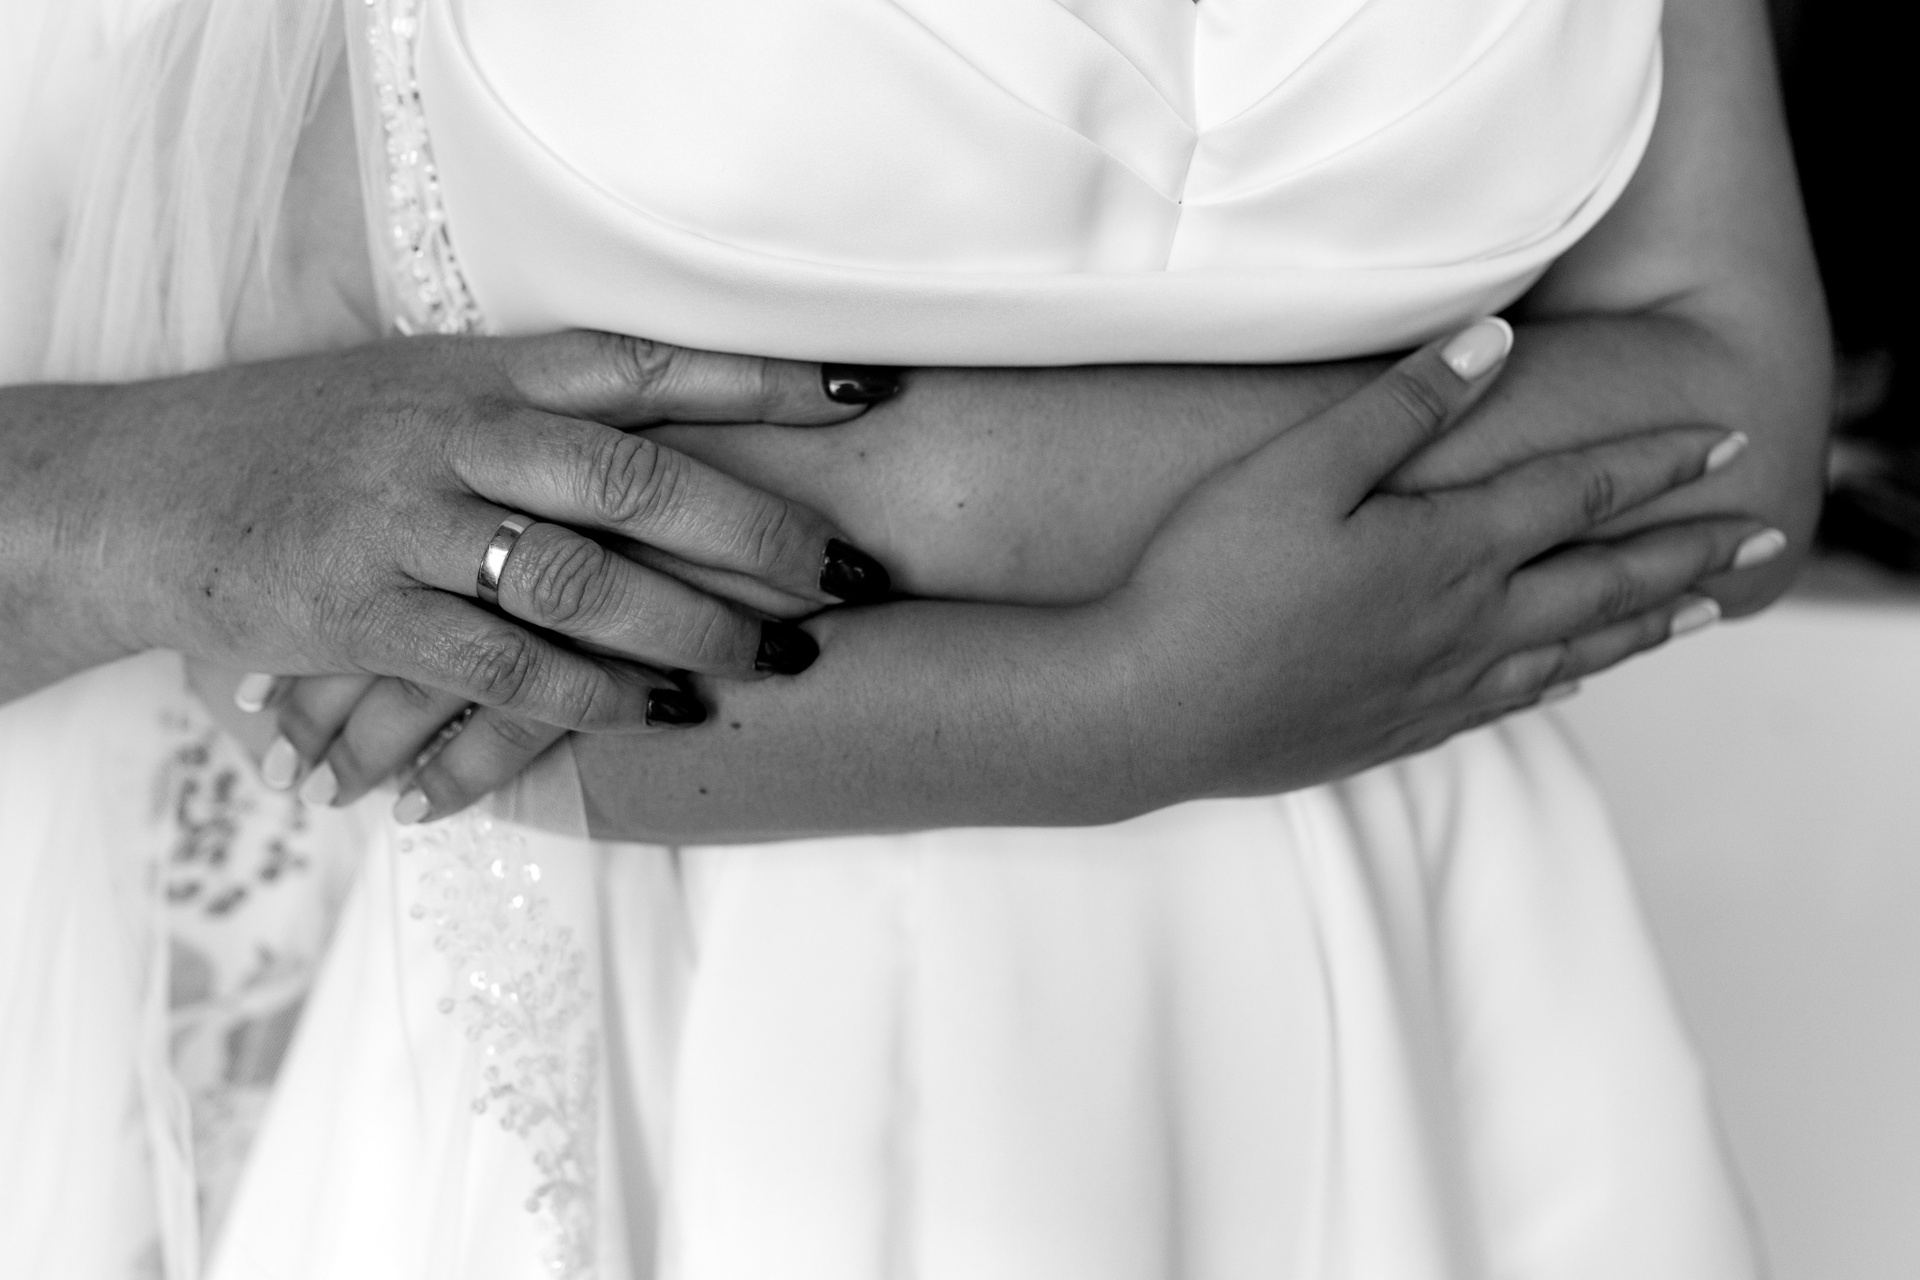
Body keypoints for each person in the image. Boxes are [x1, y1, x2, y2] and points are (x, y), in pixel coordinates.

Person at [0, 0, 1826, 1276]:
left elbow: (1744, 420)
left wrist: (839, 479)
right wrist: (1108, 707)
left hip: (1429, 946)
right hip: (687, 1014)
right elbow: (294, 608)